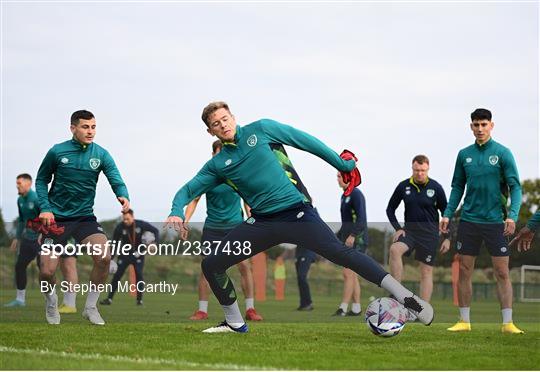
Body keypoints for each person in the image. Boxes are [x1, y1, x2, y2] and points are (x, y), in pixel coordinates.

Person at [165, 101, 433, 333]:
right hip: (262, 223)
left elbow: (305, 141)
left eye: (225, 118)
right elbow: (188, 189)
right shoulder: (217, 165)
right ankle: (234, 322)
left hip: (298, 214)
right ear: (210, 131)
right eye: (216, 123)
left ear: (233, 117)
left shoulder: (261, 128)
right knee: (212, 264)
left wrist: (342, 164)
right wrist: (176, 210)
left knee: (341, 254)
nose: (222, 125)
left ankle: (406, 297)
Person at [36, 109, 130, 325]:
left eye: (93, 127)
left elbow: (115, 178)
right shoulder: (57, 152)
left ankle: (90, 307)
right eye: (85, 127)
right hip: (56, 219)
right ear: (73, 128)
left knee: (104, 258)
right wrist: (45, 207)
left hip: (84, 218)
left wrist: (123, 195)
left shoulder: (101, 154)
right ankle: (51, 302)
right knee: (46, 271)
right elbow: (41, 180)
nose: (90, 131)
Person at [440, 108, 523, 334]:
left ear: (491, 126)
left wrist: (512, 216)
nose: (479, 129)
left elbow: (516, 187)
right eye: (476, 125)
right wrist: (447, 213)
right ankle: (464, 321)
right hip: (469, 221)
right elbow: (457, 186)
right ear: (471, 127)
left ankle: (508, 323)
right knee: (465, 269)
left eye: (483, 124)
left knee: (502, 272)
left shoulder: (503, 153)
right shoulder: (463, 154)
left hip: (496, 222)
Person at [181, 140, 263, 321]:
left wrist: (252, 219)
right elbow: (194, 199)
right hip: (213, 229)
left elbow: (247, 200)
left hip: (236, 227)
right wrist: (185, 220)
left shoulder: (236, 174)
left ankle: (250, 309)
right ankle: (202, 310)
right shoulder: (208, 176)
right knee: (206, 268)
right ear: (213, 155)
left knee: (244, 266)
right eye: (219, 154)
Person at [386, 155, 450, 304]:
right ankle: (396, 292)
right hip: (410, 232)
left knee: (426, 272)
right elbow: (390, 209)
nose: (419, 173)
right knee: (395, 249)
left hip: (430, 235)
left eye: (423, 170)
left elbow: (447, 213)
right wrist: (398, 228)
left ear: (428, 169)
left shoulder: (436, 187)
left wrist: (447, 237)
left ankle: (423, 309)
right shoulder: (403, 186)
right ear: (412, 168)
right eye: (416, 170)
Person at [100, 209, 159, 306]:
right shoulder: (119, 227)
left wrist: (155, 243)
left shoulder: (141, 224)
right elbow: (115, 243)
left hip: (139, 254)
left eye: (127, 219)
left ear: (132, 217)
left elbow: (155, 231)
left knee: (139, 276)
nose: (125, 221)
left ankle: (139, 300)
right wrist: (111, 258)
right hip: (124, 254)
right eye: (124, 219)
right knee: (117, 276)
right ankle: (109, 298)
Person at [332, 172, 368, 316]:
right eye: (337, 177)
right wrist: (336, 237)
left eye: (340, 177)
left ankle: (343, 308)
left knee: (348, 273)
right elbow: (345, 223)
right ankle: (356, 308)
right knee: (352, 275)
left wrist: (353, 235)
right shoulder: (344, 196)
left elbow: (361, 219)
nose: (338, 180)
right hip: (346, 239)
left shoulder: (356, 194)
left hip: (357, 240)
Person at [4, 174, 40, 307]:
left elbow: (47, 219)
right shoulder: (20, 200)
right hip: (28, 240)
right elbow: (21, 220)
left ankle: (51, 300)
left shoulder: (36, 199)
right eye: (16, 183)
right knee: (19, 266)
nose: (17, 186)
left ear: (29, 183)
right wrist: (17, 238)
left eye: (19, 183)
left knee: (45, 270)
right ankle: (20, 300)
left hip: (41, 240)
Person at [295, 245, 316, 311]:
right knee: (300, 279)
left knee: (302, 277)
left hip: (307, 252)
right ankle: (303, 304)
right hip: (299, 254)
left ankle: (308, 303)